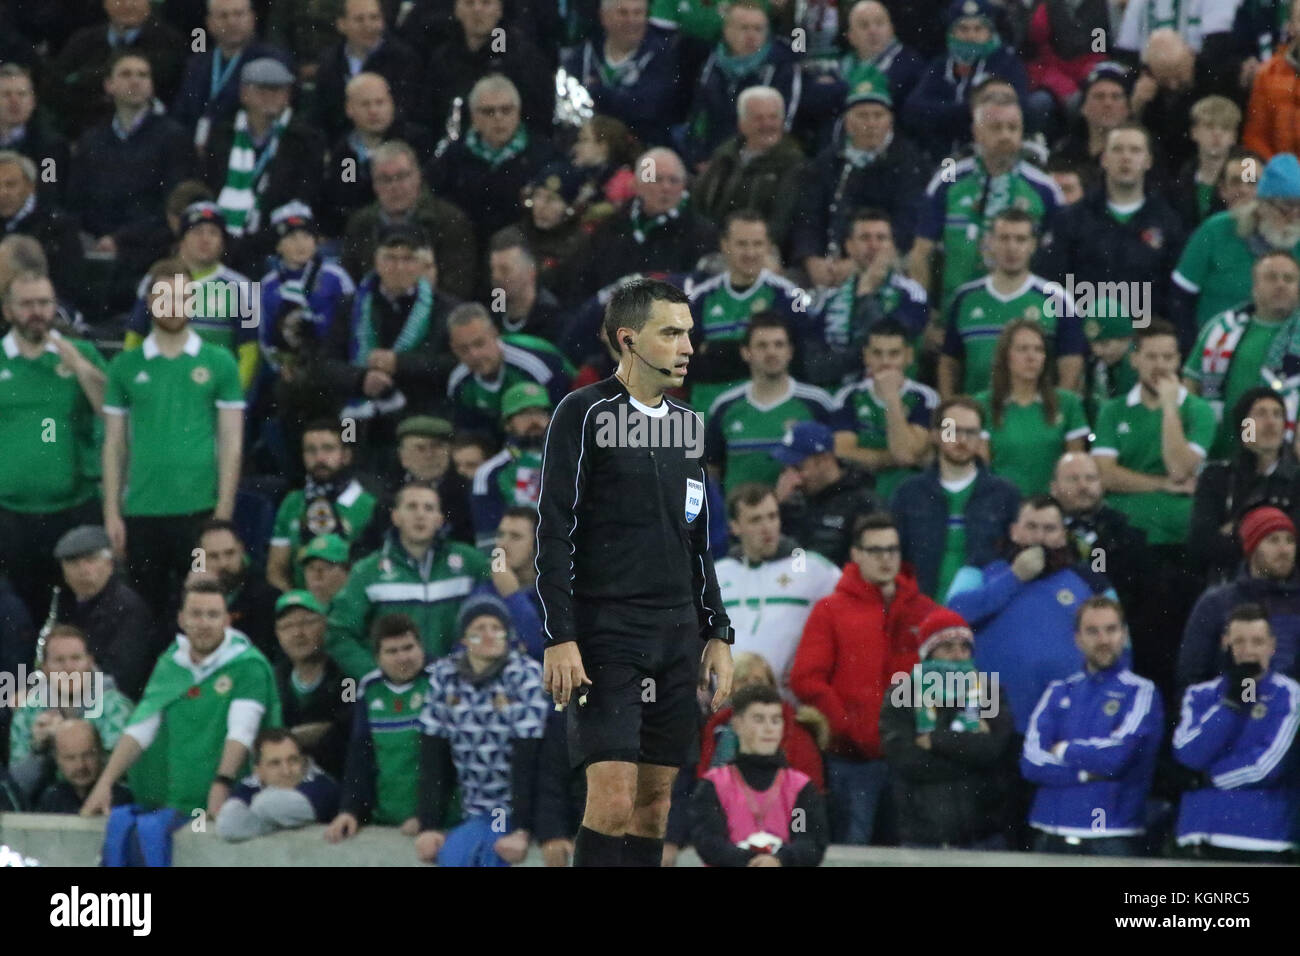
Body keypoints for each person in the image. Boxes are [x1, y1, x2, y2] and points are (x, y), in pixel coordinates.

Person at [534, 278, 735, 867]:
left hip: (676, 633)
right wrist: (560, 636)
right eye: (671, 333)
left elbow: (697, 541)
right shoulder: (583, 412)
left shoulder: (689, 425)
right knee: (613, 799)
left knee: (654, 805)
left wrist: (717, 632)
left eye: (689, 333)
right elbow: (554, 528)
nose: (687, 347)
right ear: (628, 339)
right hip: (607, 633)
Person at [102, 258, 245, 618]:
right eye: (165, 297)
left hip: (199, 511)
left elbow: (231, 440)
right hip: (142, 512)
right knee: (145, 612)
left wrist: (222, 513)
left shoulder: (220, 361)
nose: (174, 306)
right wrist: (112, 513)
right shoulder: (126, 366)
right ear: (150, 301)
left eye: (183, 297)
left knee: (201, 607)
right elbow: (114, 444)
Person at [789, 511, 937, 844]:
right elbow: (806, 678)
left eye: (893, 550)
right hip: (851, 758)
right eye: (876, 551)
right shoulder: (831, 610)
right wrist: (846, 726)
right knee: (852, 847)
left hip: (910, 760)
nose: (886, 559)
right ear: (856, 554)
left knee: (911, 852)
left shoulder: (924, 610)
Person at [80, 578, 281, 818]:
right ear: (181, 620)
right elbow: (142, 725)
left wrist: (222, 783)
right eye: (196, 614)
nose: (204, 623)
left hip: (232, 798)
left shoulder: (247, 665)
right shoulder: (171, 663)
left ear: (227, 621)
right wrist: (106, 783)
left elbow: (242, 731)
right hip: (177, 796)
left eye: (213, 615)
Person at [948, 495, 1114, 732]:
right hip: (990, 720)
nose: (1039, 537)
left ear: (1063, 535)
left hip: (1066, 721)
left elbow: (1119, 644)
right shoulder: (980, 567)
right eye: (1031, 527)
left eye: (1049, 529)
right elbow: (950, 616)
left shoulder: (1091, 580)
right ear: (1014, 531)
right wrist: (1014, 578)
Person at [0, 272, 107, 624]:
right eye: (27, 304)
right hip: (11, 514)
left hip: (74, 509)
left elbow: (111, 409)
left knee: (79, 614)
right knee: (21, 615)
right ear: (8, 310)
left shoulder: (82, 353)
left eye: (44, 303)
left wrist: (78, 366)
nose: (37, 312)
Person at [412, 594, 550, 866]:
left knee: (491, 856)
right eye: (478, 630)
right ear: (463, 639)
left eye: (497, 629)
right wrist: (428, 825)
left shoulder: (524, 674)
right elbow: (433, 755)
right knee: (452, 858)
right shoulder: (445, 676)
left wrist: (522, 829)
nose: (489, 635)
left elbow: (528, 760)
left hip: (516, 807)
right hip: (474, 809)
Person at [1020, 596, 1164, 856]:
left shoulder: (1141, 692)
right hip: (1049, 833)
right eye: (1093, 631)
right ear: (1078, 638)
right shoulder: (1057, 691)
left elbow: (1116, 757)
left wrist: (1063, 749)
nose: (1103, 640)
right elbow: (1030, 762)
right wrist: (1083, 774)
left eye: (1111, 630)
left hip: (1110, 835)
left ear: (1123, 635)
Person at [909, 96, 1062, 312]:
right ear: (976, 132)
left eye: (1013, 128)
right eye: (996, 128)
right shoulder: (948, 181)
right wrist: (924, 317)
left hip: (1025, 316)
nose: (1005, 135)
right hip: (955, 315)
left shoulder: (1045, 189)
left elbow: (1057, 260)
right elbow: (921, 254)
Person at [1173, 603, 1300, 862]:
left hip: (1261, 839)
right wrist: (1230, 706)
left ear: (1272, 646)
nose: (1248, 651)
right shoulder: (1200, 695)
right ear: (1224, 643)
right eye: (1239, 642)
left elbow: (1265, 767)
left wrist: (1206, 780)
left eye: (1257, 642)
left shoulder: (1289, 695)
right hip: (1198, 835)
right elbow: (1188, 755)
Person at [879, 607, 1015, 849]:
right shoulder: (902, 694)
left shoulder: (989, 692)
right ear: (928, 654)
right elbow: (907, 761)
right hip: (923, 836)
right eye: (948, 648)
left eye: (965, 647)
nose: (959, 655)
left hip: (983, 836)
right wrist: (970, 752)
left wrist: (936, 740)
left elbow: (994, 751)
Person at [326, 481, 490, 679]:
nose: (420, 514)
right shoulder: (368, 571)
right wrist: (377, 675)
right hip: (397, 695)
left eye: (429, 508)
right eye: (411, 507)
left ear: (439, 519)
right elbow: (339, 632)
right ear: (396, 517)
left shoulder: (470, 562)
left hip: (459, 685)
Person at [1034, 123, 1185, 329]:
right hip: (1084, 337)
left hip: (1143, 341)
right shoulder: (1071, 219)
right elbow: (1051, 284)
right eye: (1117, 149)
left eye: (1135, 150)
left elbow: (1174, 293)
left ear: (1148, 161)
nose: (1126, 157)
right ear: (1104, 159)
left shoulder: (1168, 222)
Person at [790, 78, 928, 283]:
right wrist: (811, 259)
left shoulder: (909, 162)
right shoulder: (827, 161)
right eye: (862, 116)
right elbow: (808, 216)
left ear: (890, 120)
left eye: (878, 116)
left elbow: (907, 223)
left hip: (885, 259)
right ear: (847, 121)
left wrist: (859, 263)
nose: (871, 123)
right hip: (826, 263)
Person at [1093, 319, 1215, 549]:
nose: (1160, 365)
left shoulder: (1199, 410)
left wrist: (1169, 407)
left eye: (1167, 358)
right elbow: (1106, 475)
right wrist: (1161, 483)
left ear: (1178, 361)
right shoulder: (1112, 411)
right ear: (1134, 360)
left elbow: (1179, 470)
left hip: (1179, 535)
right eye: (1151, 357)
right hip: (1124, 531)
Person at [939, 208, 1085, 398]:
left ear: (1033, 245)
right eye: (1004, 238)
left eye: (1020, 239)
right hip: (976, 418)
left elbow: (1071, 364)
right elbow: (949, 362)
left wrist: (1055, 415)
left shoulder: (1056, 299)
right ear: (989, 242)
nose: (1012, 247)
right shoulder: (965, 298)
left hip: (1035, 419)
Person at [714, 484, 840, 696]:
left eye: (772, 516)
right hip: (728, 709)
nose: (767, 527)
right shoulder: (716, 575)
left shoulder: (814, 570)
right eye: (755, 520)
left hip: (791, 707)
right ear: (735, 527)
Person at [892, 397, 1022, 599]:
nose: (961, 440)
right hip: (920, 609)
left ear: (980, 437)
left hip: (983, 612)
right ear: (935, 435)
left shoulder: (1005, 494)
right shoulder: (909, 493)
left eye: (971, 432)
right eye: (952, 430)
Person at [122, 203, 259, 391]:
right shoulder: (156, 280)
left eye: (213, 233)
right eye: (197, 232)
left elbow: (250, 350)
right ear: (182, 239)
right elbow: (135, 336)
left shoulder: (243, 287)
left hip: (214, 389)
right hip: (159, 386)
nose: (205, 239)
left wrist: (233, 395)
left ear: (223, 242)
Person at [690, 682, 829, 866]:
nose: (769, 728)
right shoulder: (715, 784)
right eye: (758, 719)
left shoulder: (799, 787)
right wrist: (753, 862)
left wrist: (779, 860)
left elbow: (808, 842)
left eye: (775, 720)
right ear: (737, 724)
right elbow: (710, 843)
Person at [685, 210, 810, 413]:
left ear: (769, 247)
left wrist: (716, 352)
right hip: (706, 413)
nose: (750, 253)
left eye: (757, 244)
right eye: (742, 244)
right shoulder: (700, 298)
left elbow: (796, 360)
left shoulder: (789, 296)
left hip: (767, 412)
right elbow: (685, 364)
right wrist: (750, 356)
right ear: (725, 246)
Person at [66, 51, 194, 245]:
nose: (135, 81)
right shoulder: (91, 140)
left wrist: (121, 238)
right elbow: (76, 200)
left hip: (150, 245)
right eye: (126, 74)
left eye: (143, 75)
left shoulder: (173, 137)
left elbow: (173, 203)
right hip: (95, 243)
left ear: (151, 86)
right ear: (109, 85)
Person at [1182, 253, 1300, 460]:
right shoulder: (1222, 328)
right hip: (1220, 445)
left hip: (1286, 455)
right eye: (1272, 278)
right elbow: (1192, 381)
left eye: (1289, 279)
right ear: (1254, 287)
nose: (1281, 285)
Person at [705, 312, 839, 494]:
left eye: (779, 344)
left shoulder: (817, 402)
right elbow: (711, 471)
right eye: (762, 345)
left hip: (801, 518)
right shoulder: (724, 406)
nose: (771, 352)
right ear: (746, 353)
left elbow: (833, 466)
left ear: (790, 351)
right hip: (742, 519)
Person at [326, 614, 431, 841]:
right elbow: (359, 756)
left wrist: (428, 814)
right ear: (377, 657)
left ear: (421, 648)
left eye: (409, 647)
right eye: (392, 651)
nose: (403, 657)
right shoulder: (368, 688)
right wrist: (349, 810)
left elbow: (447, 760)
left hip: (435, 823)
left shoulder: (439, 682)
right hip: (385, 821)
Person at [1172, 153, 1300, 338]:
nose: (1294, 218)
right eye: (1287, 207)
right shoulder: (1216, 230)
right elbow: (1181, 296)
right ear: (1263, 205)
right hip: (1218, 345)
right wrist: (1191, 348)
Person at [426, 73, 559, 251]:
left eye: (506, 110)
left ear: (518, 112)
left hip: (526, 251)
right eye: (488, 111)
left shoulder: (543, 154)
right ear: (474, 116)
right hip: (466, 250)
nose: (498, 118)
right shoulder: (454, 156)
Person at [1178, 507, 1300, 689]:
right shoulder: (1216, 602)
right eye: (1273, 540)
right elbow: (1192, 675)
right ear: (1252, 547)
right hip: (1234, 705)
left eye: (1290, 541)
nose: (1284, 550)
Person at [1188, 388, 1300, 585]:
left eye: (1277, 414)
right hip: (1228, 587)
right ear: (1244, 427)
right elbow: (1201, 542)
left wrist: (1236, 529)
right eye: (1260, 414)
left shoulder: (1297, 480)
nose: (1271, 422)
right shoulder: (1217, 477)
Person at [341, 139, 478, 300]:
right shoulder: (360, 223)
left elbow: (458, 287)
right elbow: (350, 283)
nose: (395, 186)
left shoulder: (449, 220)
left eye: (402, 176)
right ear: (374, 184)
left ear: (418, 176)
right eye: (385, 179)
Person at [7, 625, 135, 795]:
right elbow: (17, 788)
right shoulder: (28, 712)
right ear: (45, 669)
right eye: (59, 660)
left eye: (76, 658)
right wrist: (39, 750)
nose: (68, 668)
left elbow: (122, 774)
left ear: (90, 662)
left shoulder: (116, 707)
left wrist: (69, 739)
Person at [573, 147, 718, 297]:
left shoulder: (702, 234)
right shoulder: (611, 227)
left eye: (674, 180)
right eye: (656, 179)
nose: (666, 187)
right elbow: (584, 280)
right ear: (636, 185)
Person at [808, 210, 928, 389]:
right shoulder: (828, 298)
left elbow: (886, 344)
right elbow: (815, 368)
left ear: (892, 247)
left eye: (881, 238)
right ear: (849, 246)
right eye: (865, 238)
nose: (873, 246)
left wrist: (866, 294)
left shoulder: (911, 294)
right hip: (837, 398)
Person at [679, 0, 803, 168]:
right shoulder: (711, 64)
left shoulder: (782, 68)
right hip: (713, 162)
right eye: (744, 28)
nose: (751, 35)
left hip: (762, 164)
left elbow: (784, 124)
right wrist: (699, 158)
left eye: (758, 29)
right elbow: (698, 118)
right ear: (727, 31)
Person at [974, 320, 1089, 496]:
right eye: (1022, 349)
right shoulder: (982, 403)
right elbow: (981, 470)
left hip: (1054, 506)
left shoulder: (1068, 403)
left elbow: (1075, 468)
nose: (1031, 357)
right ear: (1006, 356)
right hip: (1000, 506)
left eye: (1039, 350)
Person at [903, 0, 1030, 156]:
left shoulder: (1006, 63)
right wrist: (968, 111)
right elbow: (914, 109)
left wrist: (946, 117)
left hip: (987, 151)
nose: (971, 35)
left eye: (978, 29)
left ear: (990, 32)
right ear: (951, 32)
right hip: (941, 154)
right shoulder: (941, 65)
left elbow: (1017, 107)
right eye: (963, 29)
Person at [833, 318, 939, 502]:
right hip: (859, 497)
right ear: (866, 356)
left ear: (909, 356)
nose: (885, 362)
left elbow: (906, 454)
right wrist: (893, 457)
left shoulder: (925, 398)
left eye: (894, 354)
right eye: (877, 354)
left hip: (910, 496)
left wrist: (891, 397)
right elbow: (843, 452)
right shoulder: (848, 396)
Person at [267, 419, 378, 592]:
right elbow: (276, 571)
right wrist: (302, 605)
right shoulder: (292, 502)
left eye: (328, 449)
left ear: (346, 455)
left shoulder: (369, 505)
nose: (319, 458)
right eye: (311, 450)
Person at [320, 74, 436, 235]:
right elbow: (345, 195)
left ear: (391, 104)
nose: (373, 111)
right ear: (349, 109)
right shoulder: (345, 152)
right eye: (365, 104)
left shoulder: (415, 141)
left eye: (380, 103)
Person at [692, 87, 806, 249]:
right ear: (742, 124)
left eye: (773, 117)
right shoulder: (724, 155)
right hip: (714, 245)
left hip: (760, 251)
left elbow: (782, 221)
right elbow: (700, 203)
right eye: (758, 118)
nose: (767, 124)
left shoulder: (794, 164)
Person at [558, 0, 682, 148]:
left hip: (639, 147)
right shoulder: (584, 55)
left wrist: (596, 92)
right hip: (585, 144)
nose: (631, 21)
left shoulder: (661, 56)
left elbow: (645, 108)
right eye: (623, 13)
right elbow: (565, 106)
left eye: (638, 13)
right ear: (604, 17)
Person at [52, 525, 155, 701]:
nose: (83, 570)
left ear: (109, 564)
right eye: (74, 563)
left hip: (109, 701)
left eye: (90, 560)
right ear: (64, 572)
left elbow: (122, 676)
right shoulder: (64, 601)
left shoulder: (129, 608)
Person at [697, 651, 828, 789]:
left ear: (771, 685)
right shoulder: (716, 728)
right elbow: (704, 781)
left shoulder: (796, 732)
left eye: (758, 680)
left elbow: (809, 792)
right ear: (730, 687)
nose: (751, 686)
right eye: (743, 680)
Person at [424, 0, 554, 138]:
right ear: (457, 10)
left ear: (500, 9)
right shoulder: (443, 60)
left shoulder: (524, 59)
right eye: (469, 3)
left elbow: (540, 122)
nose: (477, 9)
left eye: (486, 3)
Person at [446, 302, 575, 439]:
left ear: (495, 333)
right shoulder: (459, 383)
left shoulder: (534, 365)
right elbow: (467, 434)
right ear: (453, 348)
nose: (474, 355)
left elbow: (569, 412)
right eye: (463, 349)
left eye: (479, 343)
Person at [170, 0, 292, 144]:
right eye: (223, 16)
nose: (232, 22)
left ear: (252, 19)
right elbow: (181, 113)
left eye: (238, 14)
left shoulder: (271, 60)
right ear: (209, 23)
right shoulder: (197, 64)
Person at [311, 0, 422, 145]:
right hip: (342, 150)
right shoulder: (330, 62)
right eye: (359, 19)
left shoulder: (403, 59)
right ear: (341, 24)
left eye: (374, 18)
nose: (368, 26)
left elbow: (408, 111)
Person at [769, 421, 880, 567]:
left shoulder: (864, 504)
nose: (792, 478)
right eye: (786, 469)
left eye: (798, 467)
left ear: (824, 460)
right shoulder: (790, 501)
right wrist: (777, 508)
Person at [273, 590, 350, 778]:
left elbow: (351, 724)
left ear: (325, 624)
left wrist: (326, 734)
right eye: (287, 626)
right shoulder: (273, 679)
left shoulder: (347, 676)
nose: (297, 633)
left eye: (307, 622)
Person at [216, 727, 340, 841]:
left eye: (293, 760)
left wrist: (256, 819)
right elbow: (228, 824)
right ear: (258, 771)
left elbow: (266, 805)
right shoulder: (252, 784)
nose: (286, 771)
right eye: (275, 763)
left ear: (303, 760)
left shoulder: (322, 784)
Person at [0, 151, 85, 307]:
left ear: (30, 187)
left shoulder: (58, 226)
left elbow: (69, 285)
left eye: (10, 185)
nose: (2, 193)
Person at [471, 382, 549, 549]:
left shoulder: (573, 462)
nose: (535, 420)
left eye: (540, 412)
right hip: (516, 568)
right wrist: (501, 573)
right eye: (524, 414)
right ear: (507, 424)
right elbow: (489, 542)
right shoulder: (490, 473)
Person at [194, 520, 282, 664]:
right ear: (199, 560)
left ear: (241, 550)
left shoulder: (268, 598)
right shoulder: (184, 601)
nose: (223, 563)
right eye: (213, 556)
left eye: (229, 554)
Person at [838, 1, 926, 108]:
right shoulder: (839, 68)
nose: (873, 31)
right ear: (850, 36)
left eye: (879, 23)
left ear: (891, 29)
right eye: (864, 25)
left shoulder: (912, 66)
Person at [1170, 95, 1241, 227]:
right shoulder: (1181, 178)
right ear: (1194, 132)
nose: (1217, 134)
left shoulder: (1246, 175)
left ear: (1233, 137)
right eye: (1209, 127)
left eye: (1225, 128)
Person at [1242, 0, 1300, 160]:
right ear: (1290, 27)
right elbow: (1255, 137)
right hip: (1278, 177)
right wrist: (1279, 172)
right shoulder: (1267, 74)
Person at [34, 720, 133, 814]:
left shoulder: (123, 800)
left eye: (88, 755)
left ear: (101, 753)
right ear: (57, 759)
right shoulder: (51, 799)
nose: (80, 765)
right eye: (70, 758)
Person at [487, 229, 565, 340]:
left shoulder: (553, 320)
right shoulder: (493, 314)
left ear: (531, 272)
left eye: (505, 270)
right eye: (492, 269)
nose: (496, 276)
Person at [1052, 61, 1132, 168]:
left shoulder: (1137, 155)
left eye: (1116, 97)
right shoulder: (1065, 155)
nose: (1107, 103)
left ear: (1127, 108)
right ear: (1083, 107)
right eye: (1099, 96)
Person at [298, 534, 352, 611]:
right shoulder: (298, 616)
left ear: (347, 572)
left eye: (327, 567)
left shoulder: (360, 612)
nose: (317, 575)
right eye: (311, 567)